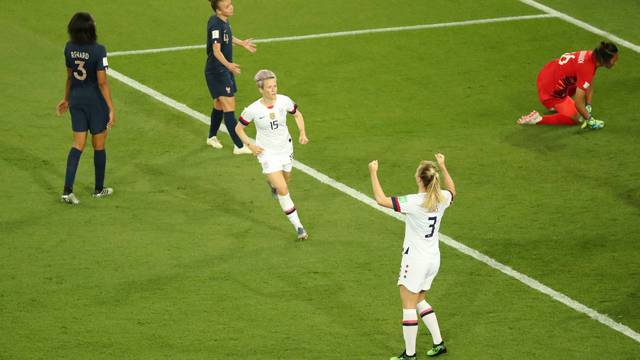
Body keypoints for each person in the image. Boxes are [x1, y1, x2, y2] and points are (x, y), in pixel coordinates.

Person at [368, 154, 456, 359]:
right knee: (419, 300)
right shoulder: (441, 197)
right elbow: (452, 190)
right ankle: (438, 343)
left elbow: (381, 200)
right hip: (433, 258)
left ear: (419, 179)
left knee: (408, 305)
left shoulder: (415, 202)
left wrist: (373, 173)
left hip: (416, 260)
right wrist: (443, 166)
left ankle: (409, 355)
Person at [235, 70, 309, 240]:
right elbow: (238, 129)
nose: (273, 89)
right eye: (269, 87)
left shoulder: (284, 101)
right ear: (261, 89)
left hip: (285, 149)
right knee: (283, 189)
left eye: (275, 85)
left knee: (286, 181)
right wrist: (250, 145)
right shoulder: (252, 110)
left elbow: (297, 115)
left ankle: (272, 183)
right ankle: (299, 227)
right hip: (267, 154)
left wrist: (302, 133)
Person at [56, 12, 115, 205]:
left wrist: (66, 99)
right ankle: (99, 189)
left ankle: (67, 191)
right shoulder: (99, 50)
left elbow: (70, 76)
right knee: (99, 146)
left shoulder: (69, 48)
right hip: (95, 104)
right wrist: (111, 108)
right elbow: (102, 82)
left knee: (77, 144)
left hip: (76, 101)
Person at [517, 41, 618, 129]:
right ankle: (537, 119)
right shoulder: (587, 69)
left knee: (582, 88)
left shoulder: (591, 56)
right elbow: (578, 103)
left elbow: (588, 82)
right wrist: (590, 120)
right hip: (550, 91)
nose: (615, 63)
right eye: (614, 60)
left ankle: (560, 106)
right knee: (577, 118)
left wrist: (588, 105)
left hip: (548, 72)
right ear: (604, 60)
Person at [205, 0, 256, 154]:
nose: (231, 7)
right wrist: (229, 66)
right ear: (219, 11)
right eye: (227, 6)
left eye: (231, 3)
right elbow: (216, 50)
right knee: (229, 108)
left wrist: (242, 43)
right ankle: (239, 146)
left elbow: (227, 36)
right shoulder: (216, 25)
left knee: (219, 106)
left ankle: (211, 137)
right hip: (218, 71)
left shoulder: (222, 21)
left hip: (222, 70)